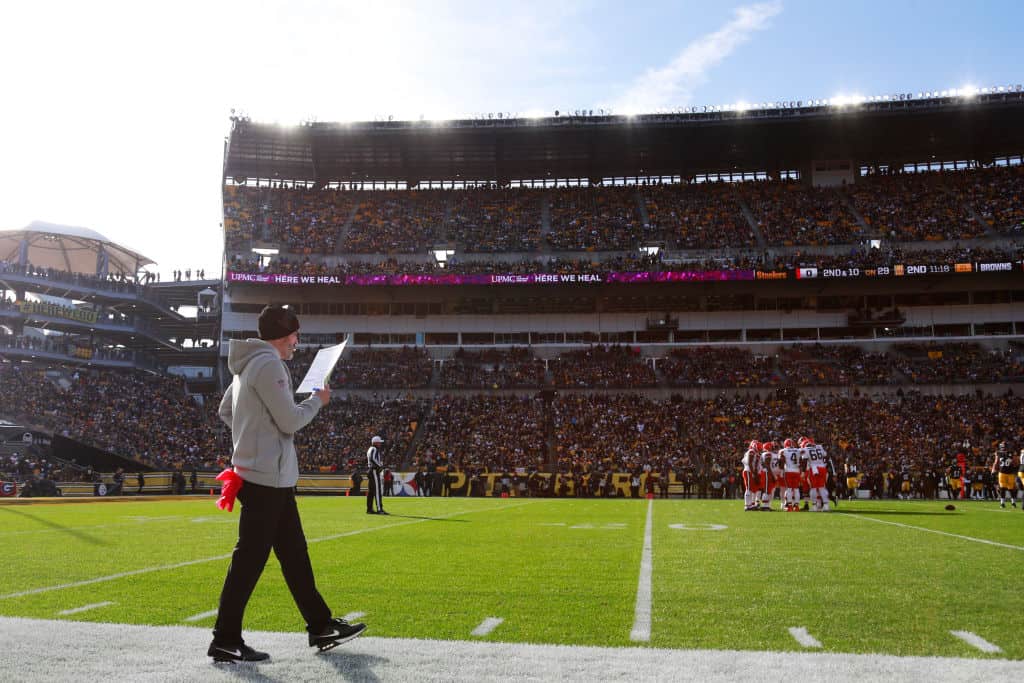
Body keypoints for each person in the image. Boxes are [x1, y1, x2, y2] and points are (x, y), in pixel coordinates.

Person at [210, 305, 365, 663]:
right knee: (250, 562)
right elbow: (290, 421)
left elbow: (226, 412)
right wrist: (317, 401)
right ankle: (224, 638)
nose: (297, 342)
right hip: (267, 480)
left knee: (294, 557)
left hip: (265, 477)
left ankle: (321, 625)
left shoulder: (249, 363)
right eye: (295, 335)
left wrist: (251, 436)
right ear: (283, 335)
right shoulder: (269, 364)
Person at [991, 442, 1018, 509]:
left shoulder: (998, 453)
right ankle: (1013, 503)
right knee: (1011, 489)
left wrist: (993, 470)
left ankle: (1002, 503)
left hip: (1002, 472)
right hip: (1009, 472)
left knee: (1003, 489)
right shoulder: (1012, 452)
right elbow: (1015, 463)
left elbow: (996, 462)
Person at [366, 435, 386, 514]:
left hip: (371, 470)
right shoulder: (374, 449)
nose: (380, 444)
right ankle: (379, 509)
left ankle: (369, 509)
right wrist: (380, 465)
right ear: (376, 443)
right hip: (374, 471)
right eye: (379, 442)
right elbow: (373, 458)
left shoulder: (371, 449)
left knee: (371, 491)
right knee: (377, 490)